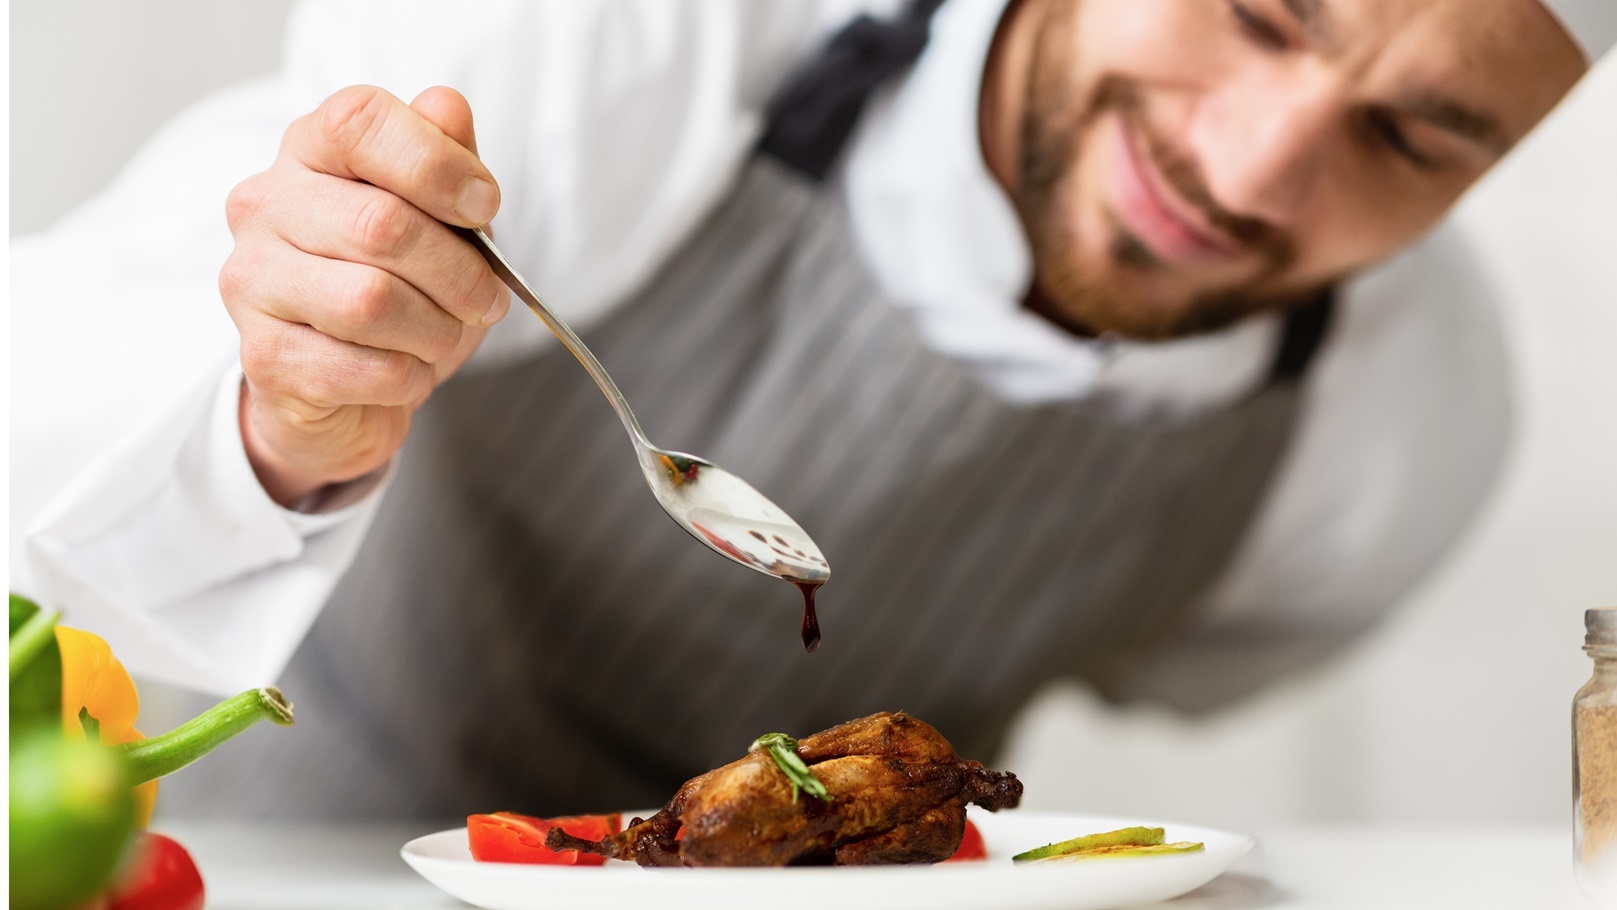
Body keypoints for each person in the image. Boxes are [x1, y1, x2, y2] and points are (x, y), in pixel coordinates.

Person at [11, 0, 1613, 818]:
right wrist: (286, 414)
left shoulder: (1403, 423)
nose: (1251, 171)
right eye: (1260, 9)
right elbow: (52, 374)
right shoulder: (648, 40)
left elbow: (1194, 663)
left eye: (1416, 139)